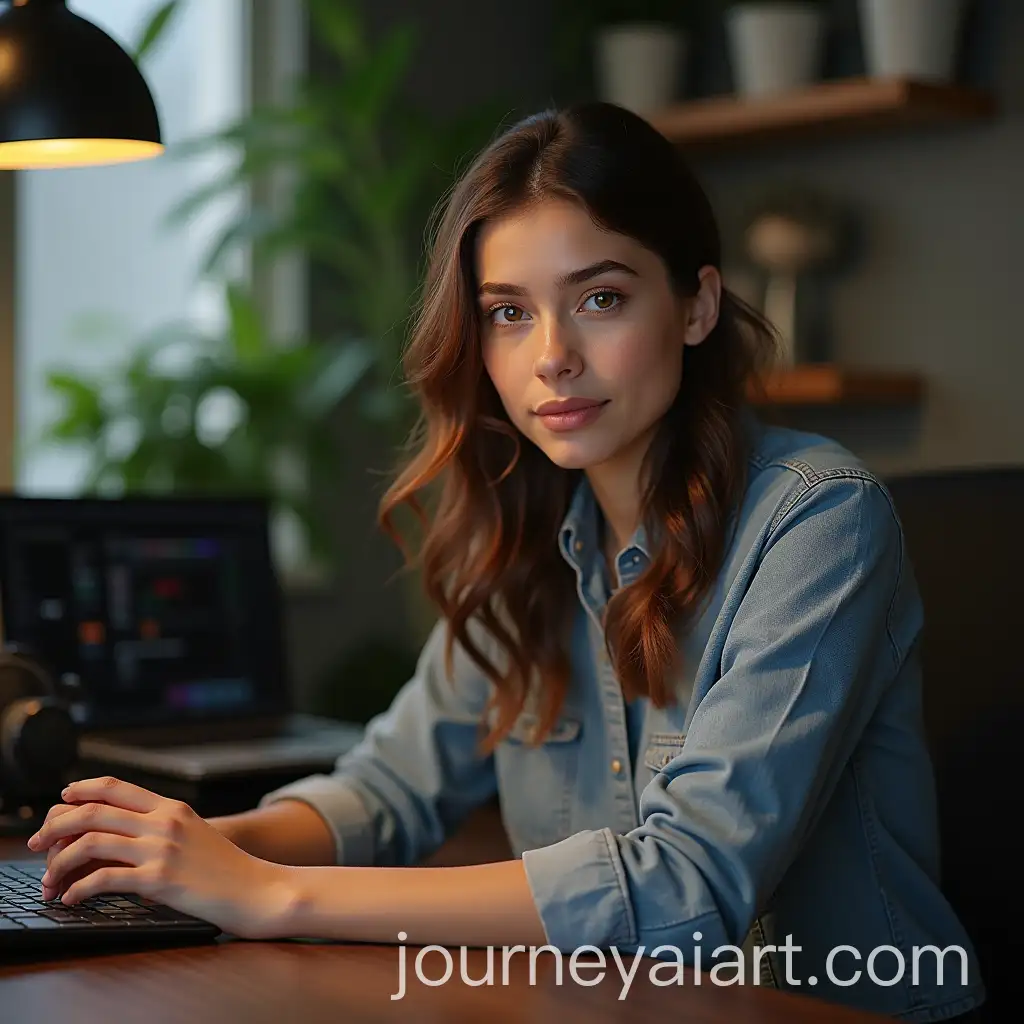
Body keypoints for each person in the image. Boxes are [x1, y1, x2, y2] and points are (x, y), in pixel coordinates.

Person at [28, 102, 984, 1022]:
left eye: (601, 298)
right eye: (508, 312)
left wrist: (269, 894)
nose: (552, 356)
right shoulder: (525, 541)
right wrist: (186, 851)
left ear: (696, 305)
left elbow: (689, 884)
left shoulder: (818, 520)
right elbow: (387, 790)